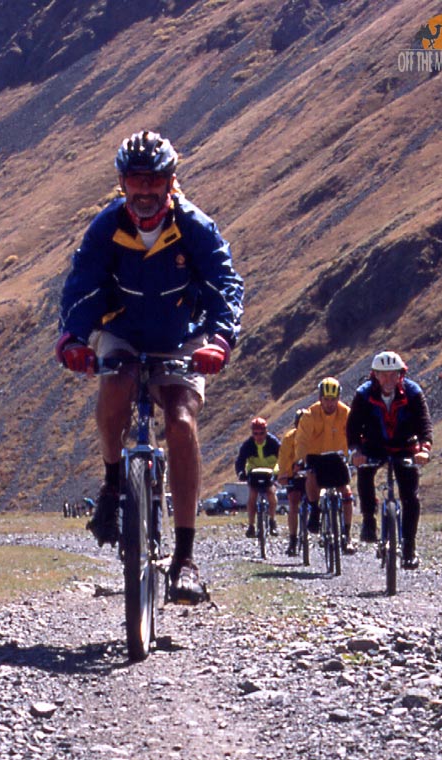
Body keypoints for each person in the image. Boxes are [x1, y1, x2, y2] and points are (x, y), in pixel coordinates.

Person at [56, 129, 244, 603]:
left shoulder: (196, 227)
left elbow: (226, 284)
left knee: (181, 421)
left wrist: (220, 339)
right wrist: (74, 337)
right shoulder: (105, 228)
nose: (144, 191)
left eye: (153, 181)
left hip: (182, 337)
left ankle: (185, 559)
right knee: (115, 382)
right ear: (122, 183)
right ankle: (114, 482)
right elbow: (81, 285)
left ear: (170, 181)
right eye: (135, 181)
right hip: (123, 330)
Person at [347, 351, 433, 569]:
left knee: (410, 497)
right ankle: (368, 520)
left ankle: (409, 549)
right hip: (374, 445)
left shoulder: (413, 392)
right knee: (365, 473)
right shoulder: (363, 394)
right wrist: (355, 451)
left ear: (400, 375)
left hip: (404, 445)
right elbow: (353, 427)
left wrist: (424, 448)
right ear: (374, 375)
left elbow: (424, 423)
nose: (387, 380)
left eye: (392, 375)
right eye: (382, 375)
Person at [295, 377, 356, 555]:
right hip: (315, 455)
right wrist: (300, 460)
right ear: (320, 398)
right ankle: (315, 510)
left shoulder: (346, 413)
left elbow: (354, 434)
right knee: (311, 476)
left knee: (346, 492)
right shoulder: (309, 414)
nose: (330, 404)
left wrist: (355, 453)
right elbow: (302, 440)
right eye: (326, 399)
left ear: (338, 398)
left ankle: (347, 534)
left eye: (333, 399)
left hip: (337, 456)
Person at [235, 417, 280, 539]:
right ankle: (251, 526)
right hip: (254, 472)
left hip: (270, 470)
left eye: (262, 433)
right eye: (256, 433)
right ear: (252, 433)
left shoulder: (273, 442)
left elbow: (283, 456)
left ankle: (272, 521)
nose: (259, 436)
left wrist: (281, 472)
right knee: (253, 494)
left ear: (266, 432)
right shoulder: (248, 444)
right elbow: (240, 461)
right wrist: (241, 473)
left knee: (271, 492)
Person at [277, 408, 309, 556]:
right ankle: (293, 539)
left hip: (311, 473)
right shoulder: (289, 438)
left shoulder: (317, 436)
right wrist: (286, 473)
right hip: (295, 476)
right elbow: (283, 460)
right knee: (293, 501)